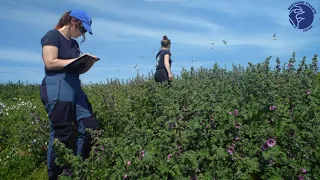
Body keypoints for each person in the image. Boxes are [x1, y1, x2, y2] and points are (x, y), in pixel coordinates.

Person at [39, 10, 99, 180]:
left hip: (75, 87)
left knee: (89, 127)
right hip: (57, 85)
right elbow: (50, 63)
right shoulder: (52, 36)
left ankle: (77, 167)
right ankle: (55, 175)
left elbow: (78, 69)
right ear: (73, 21)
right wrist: (76, 60)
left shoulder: (74, 45)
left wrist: (88, 62)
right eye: (82, 29)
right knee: (61, 133)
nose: (82, 34)